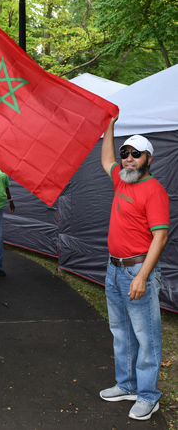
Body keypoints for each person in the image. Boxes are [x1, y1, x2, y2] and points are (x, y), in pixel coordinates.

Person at [100, 117, 169, 421]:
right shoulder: (122, 178)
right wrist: (109, 124)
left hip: (136, 271)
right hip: (114, 269)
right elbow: (107, 159)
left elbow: (161, 236)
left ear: (148, 159)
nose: (128, 158)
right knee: (121, 332)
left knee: (146, 335)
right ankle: (127, 385)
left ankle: (148, 395)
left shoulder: (154, 191)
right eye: (126, 152)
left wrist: (142, 276)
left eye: (135, 154)